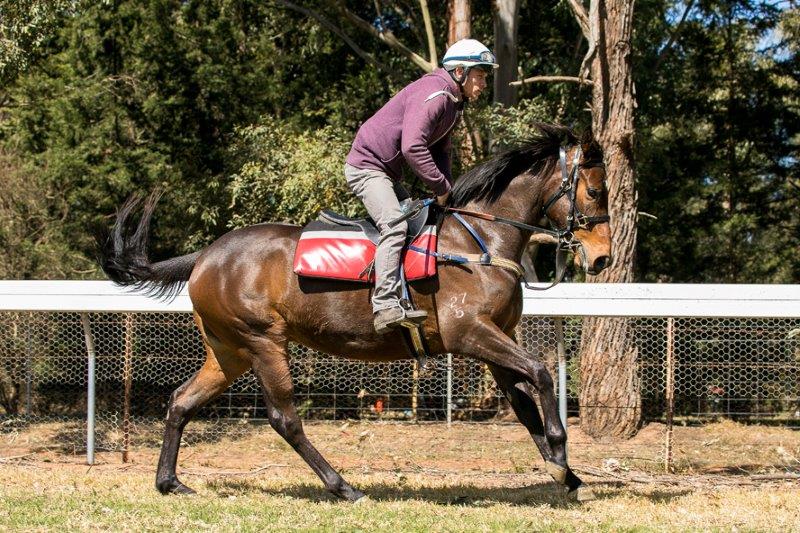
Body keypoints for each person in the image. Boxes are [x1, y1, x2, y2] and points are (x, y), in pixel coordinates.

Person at [344, 39, 498, 334]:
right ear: (460, 72)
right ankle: (385, 306)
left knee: (422, 224)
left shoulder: (452, 103)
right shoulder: (437, 94)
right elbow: (413, 147)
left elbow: (442, 151)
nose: (483, 84)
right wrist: (440, 187)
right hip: (366, 168)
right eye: (479, 76)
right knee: (394, 226)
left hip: (386, 172)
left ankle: (406, 297)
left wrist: (448, 193)